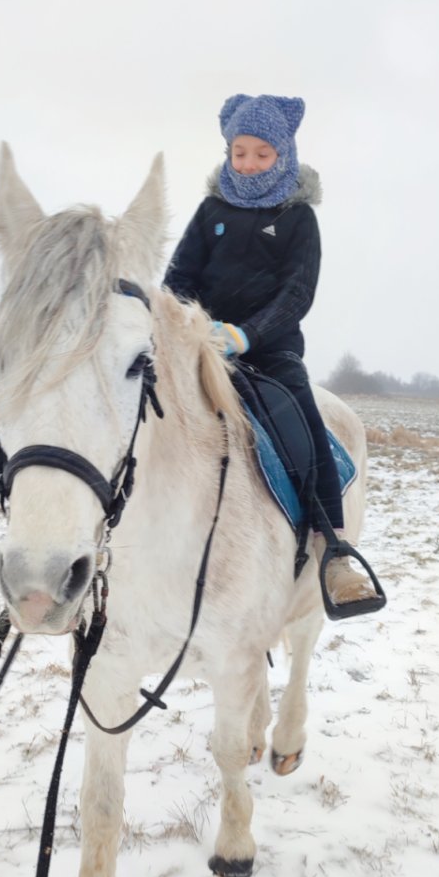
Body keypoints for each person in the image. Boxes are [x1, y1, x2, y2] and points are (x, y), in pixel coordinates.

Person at [164, 92, 379, 611]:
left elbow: (297, 293)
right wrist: (182, 323)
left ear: (283, 154)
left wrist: (247, 334)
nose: (249, 163)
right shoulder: (211, 210)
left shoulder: (297, 217)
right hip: (201, 346)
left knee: (301, 420)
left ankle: (334, 549)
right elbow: (179, 276)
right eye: (240, 152)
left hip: (270, 351)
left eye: (262, 153)